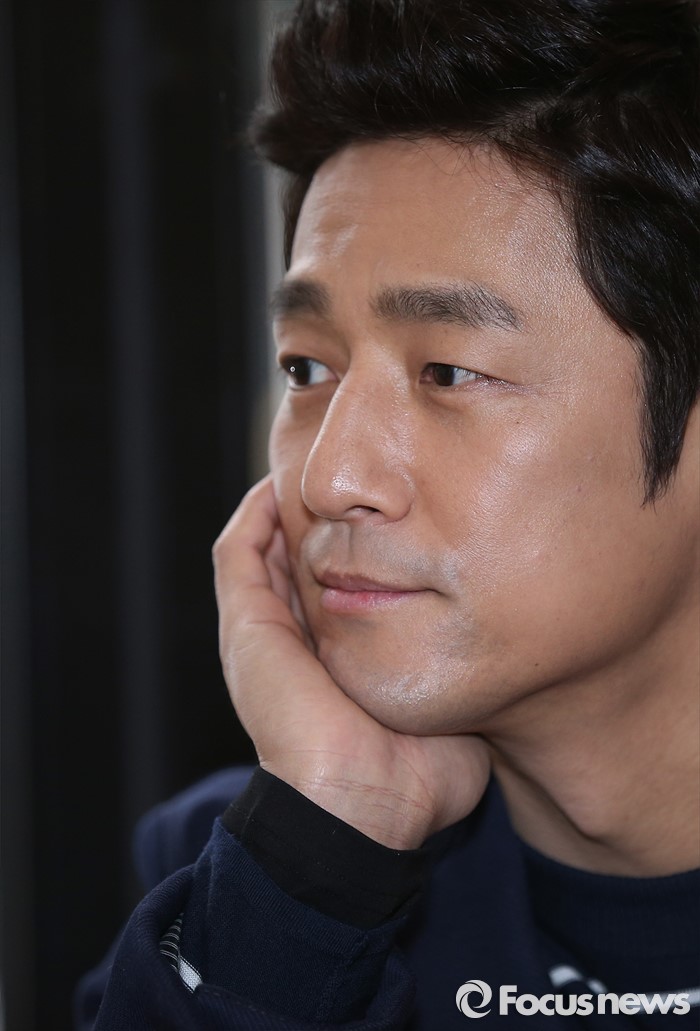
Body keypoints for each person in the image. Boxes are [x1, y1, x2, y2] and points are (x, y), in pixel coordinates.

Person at [76, 0, 700, 1027]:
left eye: (447, 372)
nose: (328, 478)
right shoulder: (245, 885)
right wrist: (317, 861)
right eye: (306, 368)